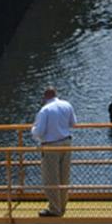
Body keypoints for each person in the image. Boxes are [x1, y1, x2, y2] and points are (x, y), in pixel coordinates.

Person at [32, 85, 76, 217]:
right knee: (64, 176)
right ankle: (62, 205)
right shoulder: (66, 105)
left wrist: (32, 129)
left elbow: (39, 132)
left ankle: (54, 209)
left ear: (45, 97)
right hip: (66, 143)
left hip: (51, 146)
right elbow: (73, 123)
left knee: (51, 178)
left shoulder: (44, 110)